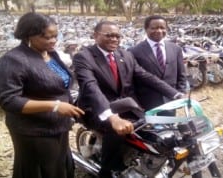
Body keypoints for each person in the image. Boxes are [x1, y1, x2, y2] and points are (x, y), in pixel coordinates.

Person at [73, 21, 183, 178]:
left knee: (155, 129)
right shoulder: (83, 57)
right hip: (98, 108)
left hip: (126, 105)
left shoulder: (125, 54)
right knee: (116, 132)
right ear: (95, 35)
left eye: (117, 36)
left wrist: (175, 94)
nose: (114, 39)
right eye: (109, 35)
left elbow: (146, 76)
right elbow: (91, 88)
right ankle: (107, 170)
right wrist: (112, 117)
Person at [0, 12, 84, 178]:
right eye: (46, 37)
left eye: (55, 36)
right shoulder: (13, 60)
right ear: (28, 35)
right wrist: (55, 106)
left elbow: (60, 84)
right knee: (42, 170)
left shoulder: (50, 54)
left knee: (59, 168)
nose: (53, 41)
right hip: (33, 130)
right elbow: (9, 100)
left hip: (58, 125)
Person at [129, 15, 187, 116]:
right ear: (146, 29)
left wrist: (180, 93)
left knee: (170, 129)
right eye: (154, 28)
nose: (159, 31)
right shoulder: (134, 51)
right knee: (151, 131)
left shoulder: (175, 49)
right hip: (147, 102)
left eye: (162, 28)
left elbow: (181, 74)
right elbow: (132, 80)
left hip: (170, 100)